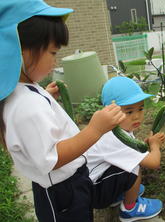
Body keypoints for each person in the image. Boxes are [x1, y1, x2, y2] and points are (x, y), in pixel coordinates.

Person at [0, 1, 125, 222]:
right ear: (21, 51)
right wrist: (95, 130)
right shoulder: (26, 106)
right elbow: (51, 158)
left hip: (66, 185)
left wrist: (45, 95)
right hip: (62, 194)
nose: (55, 61)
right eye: (53, 52)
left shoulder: (24, 92)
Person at [87, 76, 165, 222]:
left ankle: (118, 193)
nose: (137, 116)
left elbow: (132, 150)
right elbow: (154, 163)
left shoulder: (115, 129)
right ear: (109, 112)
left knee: (132, 161)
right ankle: (130, 209)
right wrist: (155, 146)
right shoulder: (114, 137)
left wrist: (145, 145)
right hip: (95, 194)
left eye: (141, 108)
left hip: (95, 184)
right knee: (134, 168)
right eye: (129, 112)